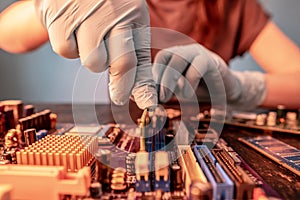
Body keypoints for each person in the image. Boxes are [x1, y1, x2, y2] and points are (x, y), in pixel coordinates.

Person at [0, 0, 299, 110]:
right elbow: (6, 32)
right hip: (127, 134)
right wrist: (45, 8)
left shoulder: (233, 5)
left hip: (212, 137)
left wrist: (239, 87)